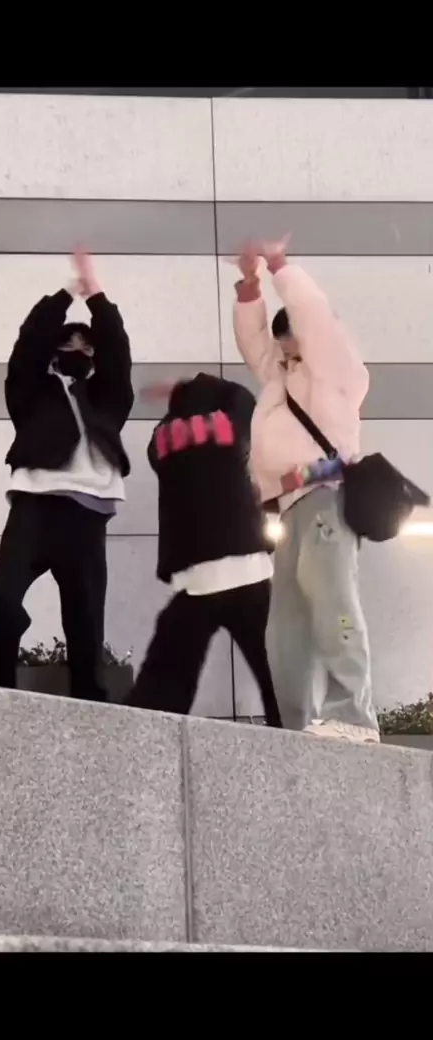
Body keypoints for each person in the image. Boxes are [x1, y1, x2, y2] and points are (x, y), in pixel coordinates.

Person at [232, 235, 379, 744]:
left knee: (335, 605)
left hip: (326, 499)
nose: (284, 352)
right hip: (292, 508)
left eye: (291, 342)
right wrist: (250, 286)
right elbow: (255, 346)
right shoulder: (286, 377)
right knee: (285, 631)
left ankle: (353, 716)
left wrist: (279, 267)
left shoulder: (336, 369)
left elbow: (314, 318)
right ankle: (297, 728)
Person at [0, 250, 134, 702]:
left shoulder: (106, 399)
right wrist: (67, 293)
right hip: (35, 508)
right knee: (3, 605)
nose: (80, 352)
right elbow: (28, 345)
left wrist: (96, 295)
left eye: (88, 348)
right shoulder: (31, 393)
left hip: (89, 517)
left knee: (86, 633)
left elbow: (118, 355)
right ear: (54, 353)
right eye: (70, 346)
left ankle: (91, 719)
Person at [125, 372, 282, 727]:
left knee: (163, 686)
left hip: (198, 580)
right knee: (276, 680)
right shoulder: (233, 424)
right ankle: (294, 737)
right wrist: (194, 385)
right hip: (247, 569)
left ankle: (144, 737)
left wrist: (180, 396)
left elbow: (156, 455)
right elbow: (244, 398)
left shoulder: (163, 439)